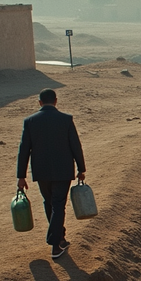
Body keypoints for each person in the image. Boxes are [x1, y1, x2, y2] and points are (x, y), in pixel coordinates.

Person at [17, 88, 87, 259]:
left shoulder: (30, 121)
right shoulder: (66, 119)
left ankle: (60, 238)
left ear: (39, 102)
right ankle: (56, 244)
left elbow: (24, 150)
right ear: (56, 101)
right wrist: (81, 169)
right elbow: (75, 146)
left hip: (41, 172)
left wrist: (21, 176)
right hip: (63, 171)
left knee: (49, 203)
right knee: (58, 205)